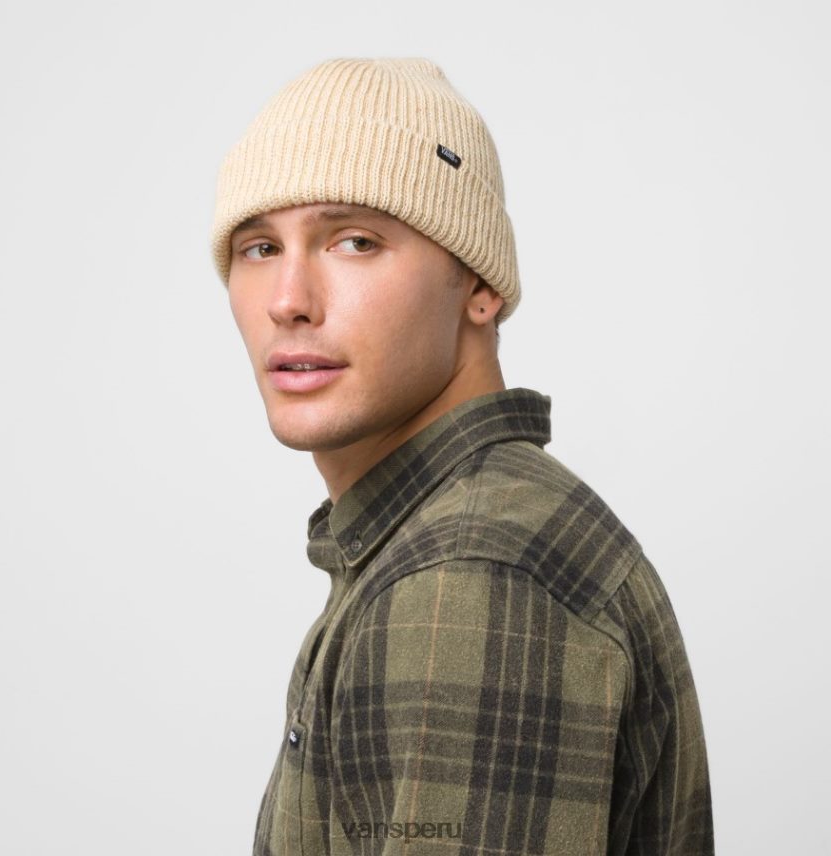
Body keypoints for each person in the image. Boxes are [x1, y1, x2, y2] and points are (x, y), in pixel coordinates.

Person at [210, 58, 713, 856]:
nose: (288, 300)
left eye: (355, 241)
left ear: (479, 284)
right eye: (259, 246)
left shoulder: (468, 575)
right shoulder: (440, 539)